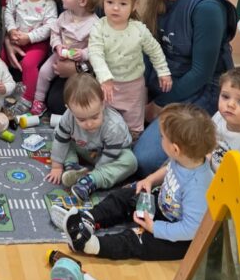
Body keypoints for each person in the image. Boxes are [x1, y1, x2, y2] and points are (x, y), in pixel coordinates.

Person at [133, 0, 238, 176]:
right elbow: (150, 42)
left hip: (200, 89)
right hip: (166, 75)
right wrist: (138, 89)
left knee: (144, 159)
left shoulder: (206, 5)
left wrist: (159, 104)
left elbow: (201, 73)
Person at [52, 104, 216, 261]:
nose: (160, 139)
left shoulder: (198, 187)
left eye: (162, 137)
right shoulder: (186, 159)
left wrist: (154, 228)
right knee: (124, 196)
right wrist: (150, 179)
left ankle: (91, 245)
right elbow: (170, 169)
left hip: (178, 237)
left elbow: (191, 229)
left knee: (135, 240)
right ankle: (88, 219)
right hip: (162, 205)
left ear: (175, 149)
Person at [88, 0, 172, 139]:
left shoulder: (139, 29)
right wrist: (104, 78)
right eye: (110, 2)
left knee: (133, 121)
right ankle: (105, 143)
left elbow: (155, 50)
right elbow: (95, 53)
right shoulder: (99, 27)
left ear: (134, 6)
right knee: (104, 119)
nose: (115, 8)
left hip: (133, 87)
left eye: (123, 4)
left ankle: (131, 143)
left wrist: (163, 71)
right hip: (107, 85)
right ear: (103, 1)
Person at [46, 74, 136, 203]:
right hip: (85, 147)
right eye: (81, 119)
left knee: (130, 161)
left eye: (94, 117)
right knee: (58, 135)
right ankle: (72, 166)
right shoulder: (68, 116)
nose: (89, 124)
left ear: (103, 103)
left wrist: (96, 171)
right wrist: (56, 166)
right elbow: (61, 140)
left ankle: (92, 180)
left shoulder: (114, 126)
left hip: (111, 154)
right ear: (69, 109)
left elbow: (111, 154)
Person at [32, 0, 100, 116]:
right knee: (44, 71)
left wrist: (83, 54)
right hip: (60, 55)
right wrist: (57, 46)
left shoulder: (94, 23)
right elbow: (55, 32)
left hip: (80, 63)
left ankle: (76, 110)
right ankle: (38, 100)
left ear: (82, 1)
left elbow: (96, 47)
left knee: (75, 88)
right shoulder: (64, 16)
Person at [4, 0, 66, 113]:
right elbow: (8, 12)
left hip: (37, 43)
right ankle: (2, 89)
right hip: (15, 37)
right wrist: (11, 29)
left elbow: (49, 27)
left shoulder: (49, 4)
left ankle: (28, 97)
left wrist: (29, 37)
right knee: (1, 56)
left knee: (28, 64)